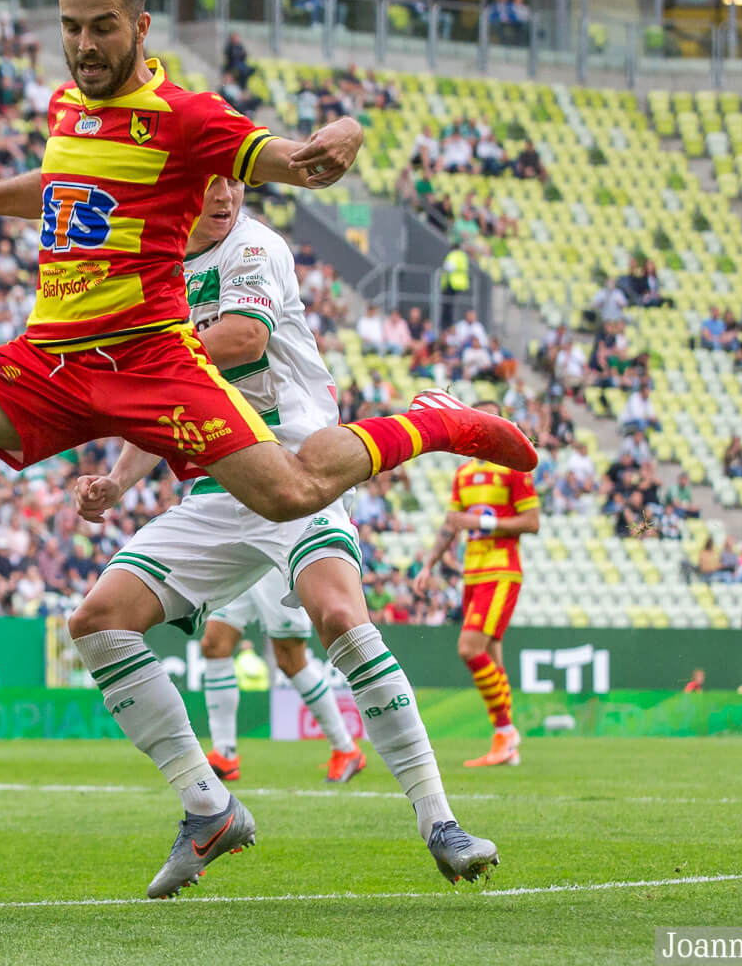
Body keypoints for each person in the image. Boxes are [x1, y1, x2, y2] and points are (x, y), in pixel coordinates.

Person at [0, 0, 534, 691]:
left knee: (292, 493)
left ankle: (442, 422)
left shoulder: (188, 119)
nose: (84, 45)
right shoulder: (68, 107)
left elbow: (295, 161)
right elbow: (60, 182)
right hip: (49, 363)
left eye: (103, 26)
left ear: (142, 27)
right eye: (72, 25)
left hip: (151, 359)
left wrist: (339, 138)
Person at [68, 177, 497, 896]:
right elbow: (171, 396)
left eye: (233, 177)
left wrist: (134, 359)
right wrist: (117, 479)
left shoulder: (254, 246)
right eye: (206, 181)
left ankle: (440, 822)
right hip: (219, 483)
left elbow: (241, 338)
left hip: (298, 467)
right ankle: (207, 809)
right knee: (98, 621)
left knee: (338, 617)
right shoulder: (159, 269)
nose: (224, 194)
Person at [417, 401, 541, 769]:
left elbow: (532, 522)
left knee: (470, 649)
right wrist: (429, 564)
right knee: (493, 658)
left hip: (501, 572)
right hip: (473, 573)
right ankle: (505, 743)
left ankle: (506, 731)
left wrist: (482, 525)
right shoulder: (464, 474)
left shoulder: (514, 470)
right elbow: (452, 523)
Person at [197, 570, 364, 785]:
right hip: (241, 554)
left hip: (273, 559)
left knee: (291, 660)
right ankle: (224, 754)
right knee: (214, 644)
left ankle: (345, 748)